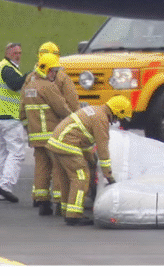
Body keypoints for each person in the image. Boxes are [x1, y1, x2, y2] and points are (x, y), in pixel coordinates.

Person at [47, 96, 130, 226]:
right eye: (119, 118)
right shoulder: (101, 119)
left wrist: (91, 160)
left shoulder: (95, 111)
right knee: (81, 176)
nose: (118, 121)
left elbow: (84, 141)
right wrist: (108, 174)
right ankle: (74, 215)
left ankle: (66, 209)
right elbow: (103, 149)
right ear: (117, 112)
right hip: (67, 144)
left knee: (66, 178)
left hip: (56, 142)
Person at [19, 53, 72, 216]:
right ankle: (59, 202)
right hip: (52, 136)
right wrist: (73, 118)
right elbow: (62, 108)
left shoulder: (28, 87)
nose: (55, 74)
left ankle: (43, 203)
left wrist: (30, 129)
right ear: (48, 71)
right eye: (54, 71)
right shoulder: (48, 87)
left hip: (36, 137)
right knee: (57, 169)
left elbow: (21, 113)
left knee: (41, 169)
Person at [0, 42, 26, 203]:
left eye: (19, 53)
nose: (18, 55)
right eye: (15, 53)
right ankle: (5, 186)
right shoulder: (7, 69)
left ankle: (1, 189)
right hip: (9, 117)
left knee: (4, 151)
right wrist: (32, 74)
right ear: (7, 53)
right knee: (17, 152)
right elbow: (16, 84)